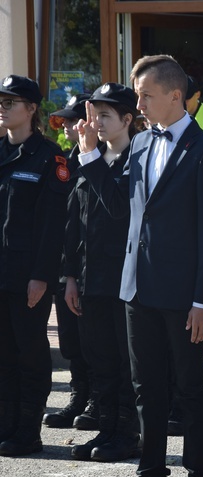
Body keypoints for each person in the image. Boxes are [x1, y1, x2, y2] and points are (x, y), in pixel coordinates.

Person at [75, 55, 203, 477]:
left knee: (191, 389)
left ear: (175, 96)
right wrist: (89, 157)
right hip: (136, 289)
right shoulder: (139, 144)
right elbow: (121, 209)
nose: (137, 103)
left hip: (182, 295)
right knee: (147, 390)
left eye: (145, 95)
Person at [64, 82, 142, 463]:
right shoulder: (87, 158)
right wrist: (71, 277)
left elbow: (119, 210)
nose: (94, 122)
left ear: (127, 119)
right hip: (90, 277)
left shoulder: (136, 160)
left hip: (123, 281)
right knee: (100, 359)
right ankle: (107, 429)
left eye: (105, 115)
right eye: (92, 114)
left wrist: (91, 157)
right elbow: (75, 224)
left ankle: (126, 433)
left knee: (124, 363)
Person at [0, 75, 71, 457]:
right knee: (3, 353)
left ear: (31, 109)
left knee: (29, 351)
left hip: (28, 273)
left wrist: (42, 276)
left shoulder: (49, 157)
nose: (3, 107)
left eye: (11, 102)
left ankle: (28, 430)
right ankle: (6, 423)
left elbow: (51, 224)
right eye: (1, 101)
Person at [43, 93, 100, 432]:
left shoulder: (99, 158)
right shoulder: (65, 159)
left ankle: (97, 400)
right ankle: (80, 395)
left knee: (93, 337)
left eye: (70, 120)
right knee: (70, 337)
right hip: (66, 262)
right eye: (62, 121)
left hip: (92, 264)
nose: (64, 125)